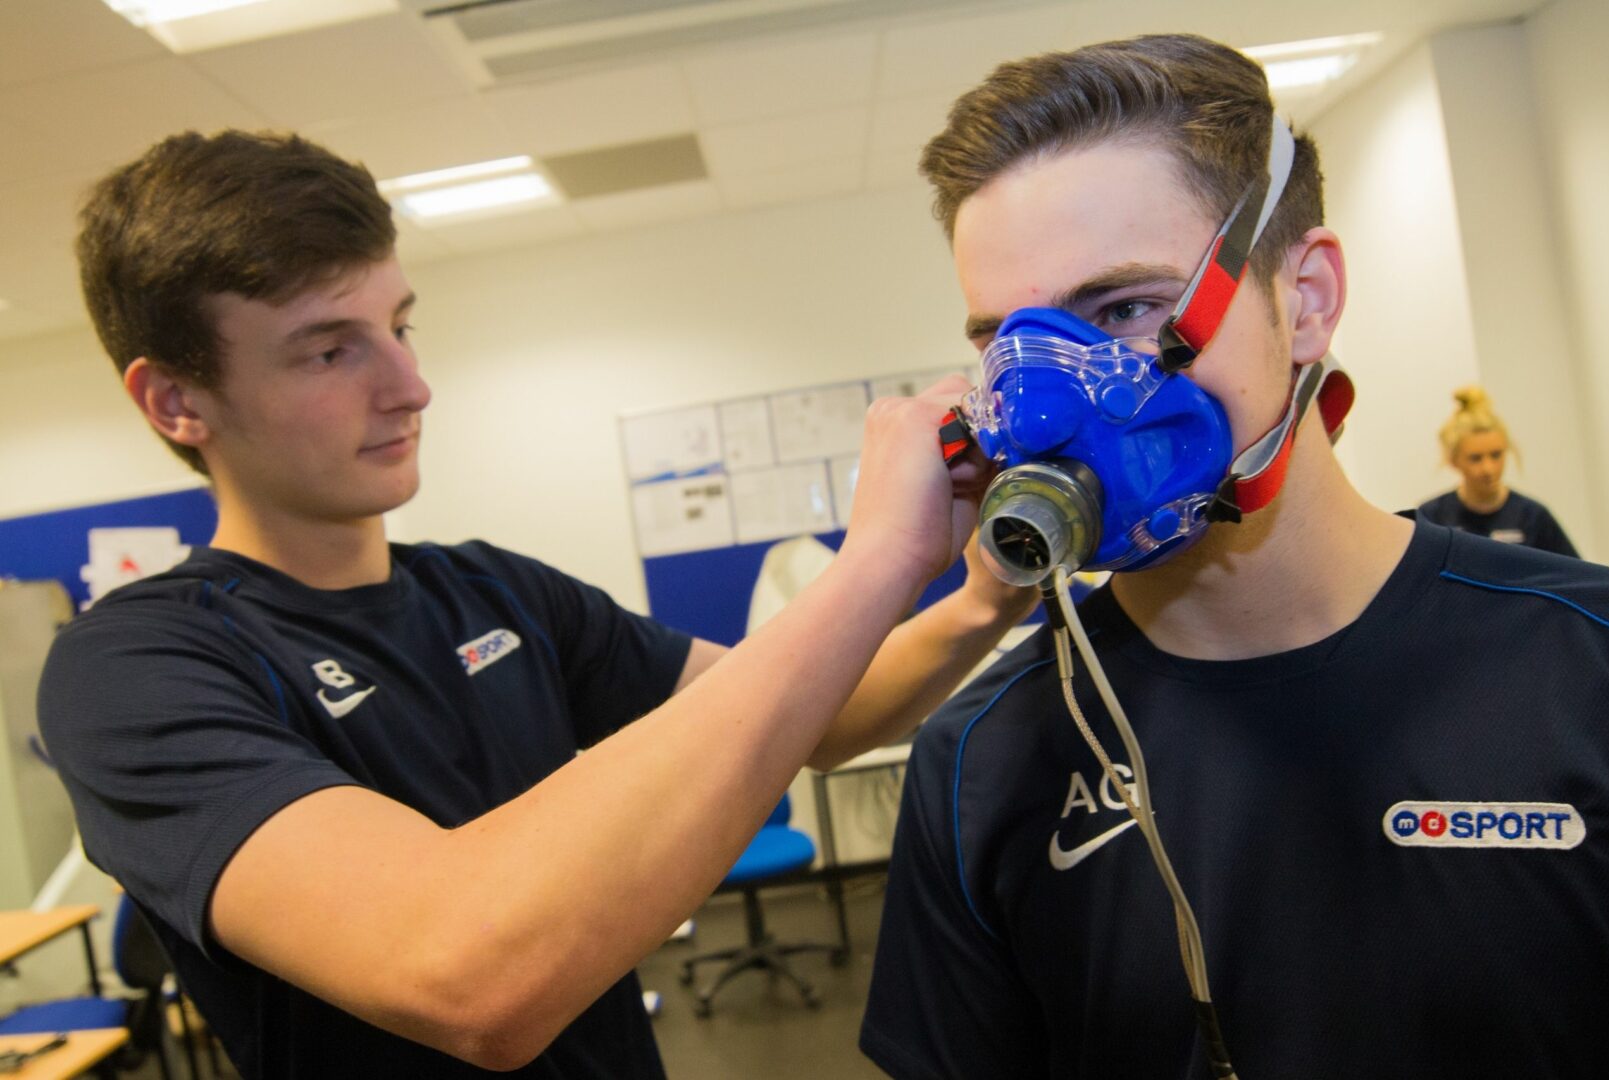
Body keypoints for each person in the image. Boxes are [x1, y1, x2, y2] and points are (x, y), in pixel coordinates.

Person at [38, 130, 1035, 1078]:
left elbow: (815, 718)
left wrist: (981, 598)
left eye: (399, 325)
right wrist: (875, 562)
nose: (411, 385)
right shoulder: (135, 669)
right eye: (329, 350)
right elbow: (467, 974)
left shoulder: (493, 589)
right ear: (176, 403)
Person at [860, 34, 1609, 1080]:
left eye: (1122, 308)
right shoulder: (982, 765)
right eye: (1008, 344)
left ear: (1304, 300)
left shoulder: (1594, 669)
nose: (1042, 408)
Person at [1417, 385, 1580, 556]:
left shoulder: (1532, 516)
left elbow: (1575, 576)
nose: (1488, 469)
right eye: (1475, 458)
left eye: (1496, 455)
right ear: (1453, 461)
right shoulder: (1432, 519)